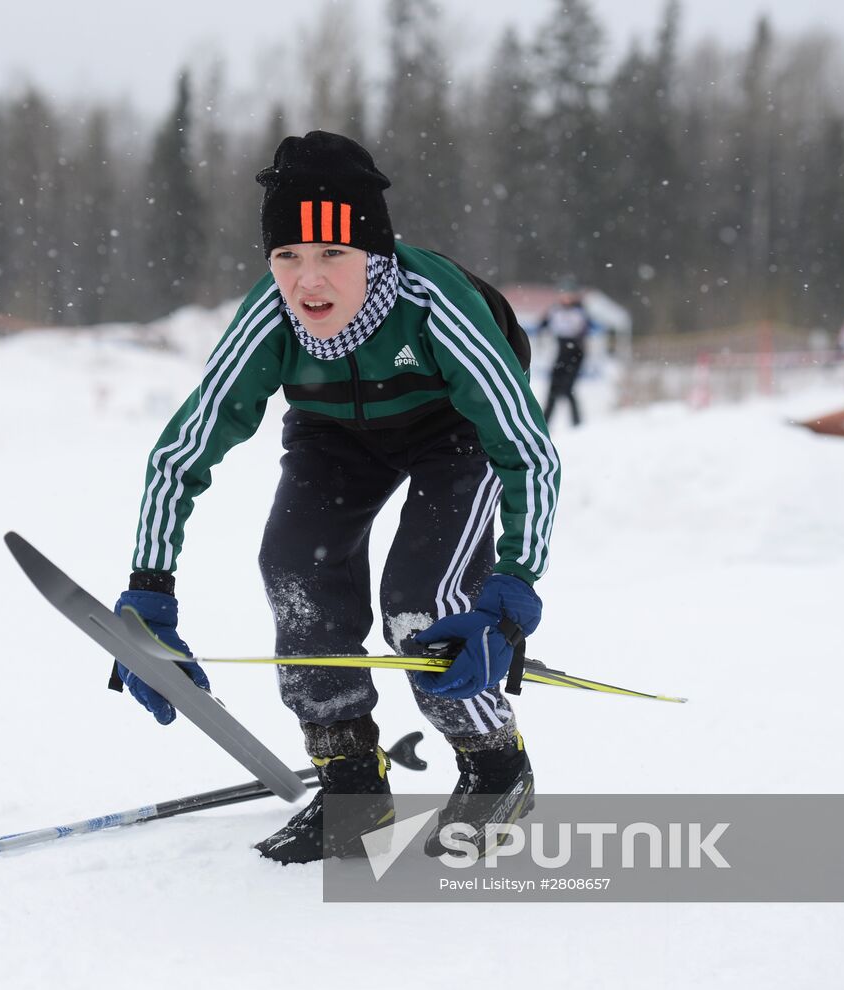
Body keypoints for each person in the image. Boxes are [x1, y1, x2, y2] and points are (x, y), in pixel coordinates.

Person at [110, 131, 560, 865]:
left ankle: (496, 766)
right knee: (297, 575)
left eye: (333, 255)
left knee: (425, 606)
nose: (307, 281)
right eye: (287, 256)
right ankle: (351, 787)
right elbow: (183, 448)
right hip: (333, 436)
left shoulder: (434, 302)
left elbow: (527, 450)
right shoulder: (271, 316)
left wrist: (512, 586)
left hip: (455, 431)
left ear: (373, 255)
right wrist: (150, 589)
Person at [536, 281, 599, 427]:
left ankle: (576, 421)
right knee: (553, 387)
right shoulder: (555, 310)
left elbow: (591, 328)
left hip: (576, 353)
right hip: (561, 351)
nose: (566, 298)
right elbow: (542, 325)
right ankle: (546, 422)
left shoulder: (580, 311)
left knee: (567, 387)